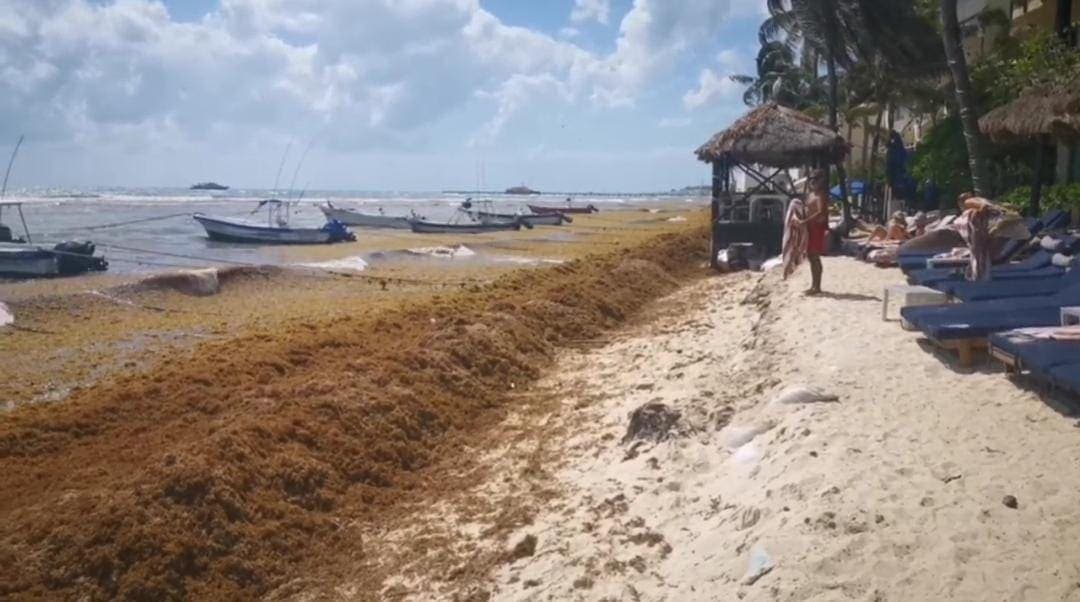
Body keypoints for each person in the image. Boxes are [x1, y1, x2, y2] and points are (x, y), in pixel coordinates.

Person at [801, 169, 830, 295]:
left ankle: (817, 286)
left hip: (816, 228)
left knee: (815, 256)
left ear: (821, 181)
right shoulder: (811, 194)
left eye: (815, 179)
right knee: (811, 257)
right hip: (809, 228)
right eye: (811, 179)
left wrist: (805, 220)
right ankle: (814, 285)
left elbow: (820, 212)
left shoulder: (820, 195)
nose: (813, 181)